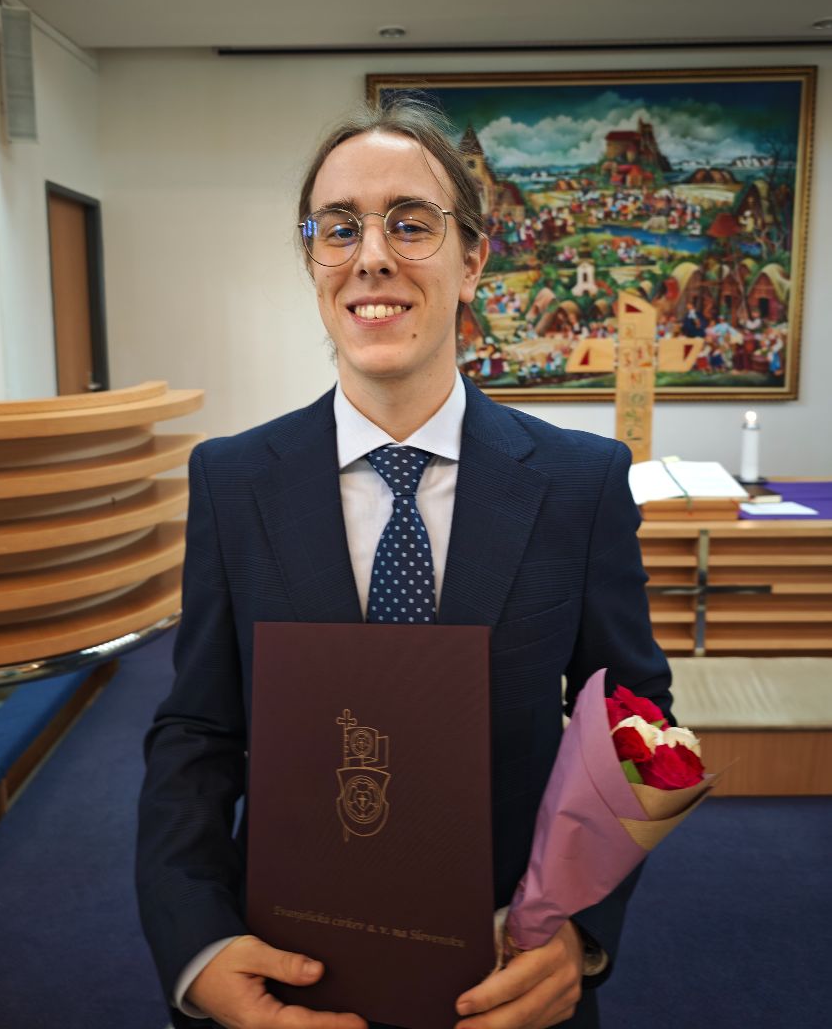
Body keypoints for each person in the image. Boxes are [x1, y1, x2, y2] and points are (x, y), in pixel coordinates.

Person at [136, 102, 673, 1029]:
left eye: (412, 223)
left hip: (506, 968)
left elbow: (636, 722)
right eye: (340, 227)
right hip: (289, 963)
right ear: (313, 259)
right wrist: (197, 941)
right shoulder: (233, 480)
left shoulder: (579, 484)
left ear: (474, 259)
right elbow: (198, 729)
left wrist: (582, 933)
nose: (372, 257)